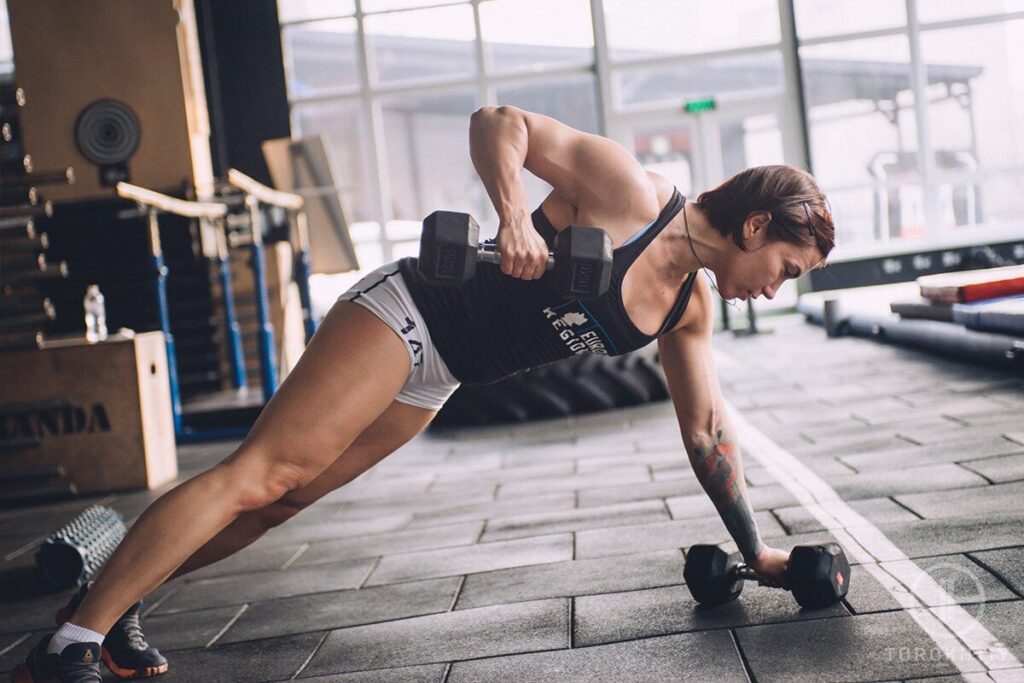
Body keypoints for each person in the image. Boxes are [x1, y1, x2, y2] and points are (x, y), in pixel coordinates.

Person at [13, 105, 834, 682]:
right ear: (758, 227)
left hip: (441, 375)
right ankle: (69, 643)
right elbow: (498, 122)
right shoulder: (631, 192)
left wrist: (756, 550)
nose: (775, 289)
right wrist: (513, 216)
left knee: (277, 505)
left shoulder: (689, 308)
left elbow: (707, 434)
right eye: (786, 271)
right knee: (263, 471)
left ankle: (114, 600)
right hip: (410, 313)